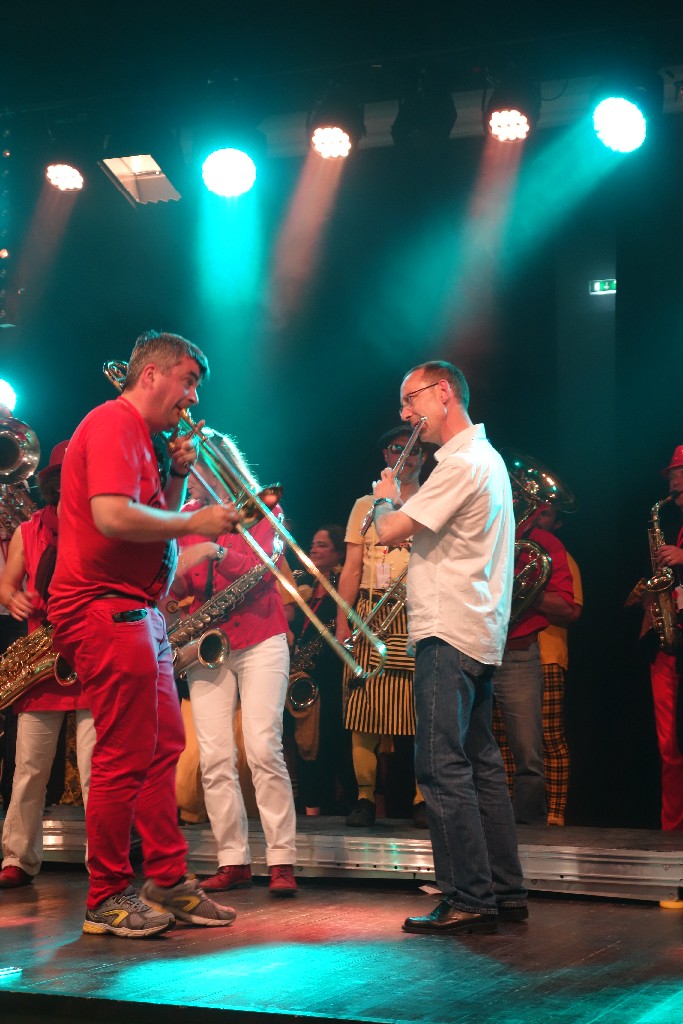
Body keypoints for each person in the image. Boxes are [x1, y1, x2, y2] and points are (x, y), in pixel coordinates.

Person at [47, 330, 240, 939]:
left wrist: (177, 478)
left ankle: (167, 880)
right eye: (188, 381)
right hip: (104, 608)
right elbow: (111, 516)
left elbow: (149, 523)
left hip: (138, 610)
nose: (193, 398)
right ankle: (105, 896)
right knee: (123, 753)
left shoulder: (142, 438)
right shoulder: (113, 422)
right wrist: (193, 518)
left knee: (162, 747)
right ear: (151, 375)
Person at [371, 359, 527, 935]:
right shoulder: (487, 459)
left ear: (442, 393)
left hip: (448, 630)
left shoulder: (461, 462)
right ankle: (504, 892)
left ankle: (468, 896)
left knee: (439, 766)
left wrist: (385, 497)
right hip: (476, 631)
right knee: (481, 765)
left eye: (410, 399)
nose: (405, 413)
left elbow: (389, 530)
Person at [171, 438, 298, 896]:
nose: (191, 478)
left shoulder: (264, 509)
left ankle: (282, 859)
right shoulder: (186, 516)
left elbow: (262, 571)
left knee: (263, 748)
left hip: (262, 636)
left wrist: (215, 551)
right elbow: (177, 581)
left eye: (198, 468)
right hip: (207, 641)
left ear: (220, 468)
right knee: (214, 757)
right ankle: (233, 859)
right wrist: (171, 583)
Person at [0, 441, 96, 888]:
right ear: (54, 482)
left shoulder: (102, 525)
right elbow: (7, 585)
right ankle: (18, 857)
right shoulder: (29, 530)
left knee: (97, 772)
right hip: (42, 656)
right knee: (30, 769)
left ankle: (104, 861)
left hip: (90, 652)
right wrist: (13, 598)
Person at [335, 425, 427, 828]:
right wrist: (343, 621)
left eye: (414, 449)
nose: (406, 455)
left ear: (425, 456)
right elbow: (351, 568)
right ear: (386, 456)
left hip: (417, 611)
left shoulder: (432, 499)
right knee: (364, 707)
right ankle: (364, 797)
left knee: (422, 708)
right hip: (371, 611)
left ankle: (424, 798)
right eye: (397, 448)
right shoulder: (364, 505)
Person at [492, 500, 575, 825]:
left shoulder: (545, 543)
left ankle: (528, 831)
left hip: (517, 654)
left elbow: (567, 607)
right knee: (468, 746)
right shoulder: (476, 531)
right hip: (469, 648)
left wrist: (527, 589)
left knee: (529, 753)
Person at [288, 524, 356, 816]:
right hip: (304, 677)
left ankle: (346, 802)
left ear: (339, 552)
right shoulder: (303, 584)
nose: (314, 549)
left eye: (322, 545)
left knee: (334, 740)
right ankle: (310, 808)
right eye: (313, 544)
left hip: (332, 675)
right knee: (305, 744)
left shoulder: (344, 586)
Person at [641, 446, 683, 834]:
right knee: (669, 746)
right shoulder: (674, 523)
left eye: (677, 472)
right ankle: (672, 830)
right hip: (671, 644)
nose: (671, 479)